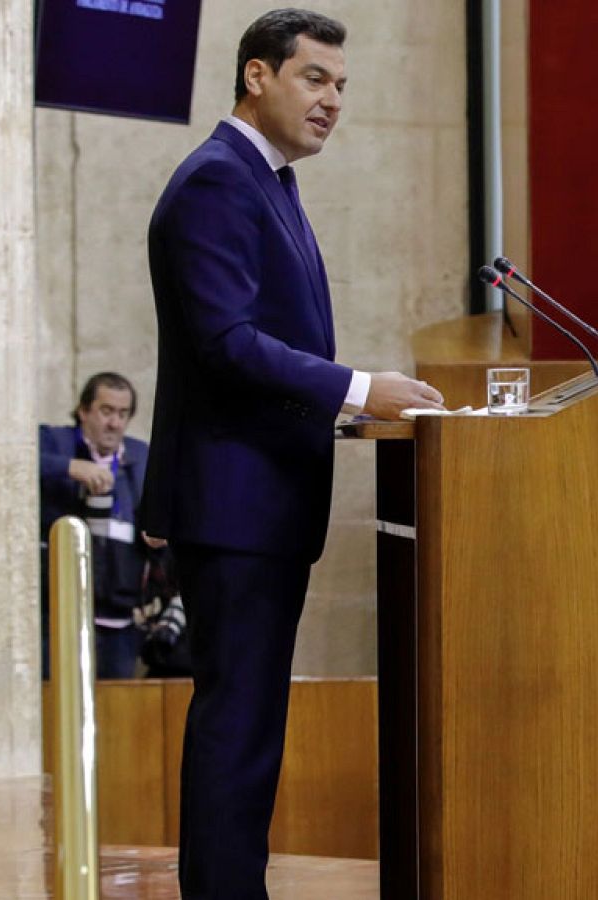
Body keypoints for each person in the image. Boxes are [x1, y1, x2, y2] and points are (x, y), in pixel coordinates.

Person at [139, 11, 444, 897]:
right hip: (235, 504)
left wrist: (348, 401)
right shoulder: (217, 182)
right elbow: (225, 343)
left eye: (342, 86)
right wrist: (358, 389)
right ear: (256, 76)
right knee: (238, 725)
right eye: (315, 79)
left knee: (250, 724)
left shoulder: (266, 180)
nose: (332, 101)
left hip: (262, 502)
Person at [38, 372, 152, 679]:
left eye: (122, 414)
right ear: (84, 411)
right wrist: (70, 467)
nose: (114, 423)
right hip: (58, 620)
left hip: (120, 624)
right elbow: (12, 456)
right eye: (106, 411)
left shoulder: (141, 457)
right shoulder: (55, 441)